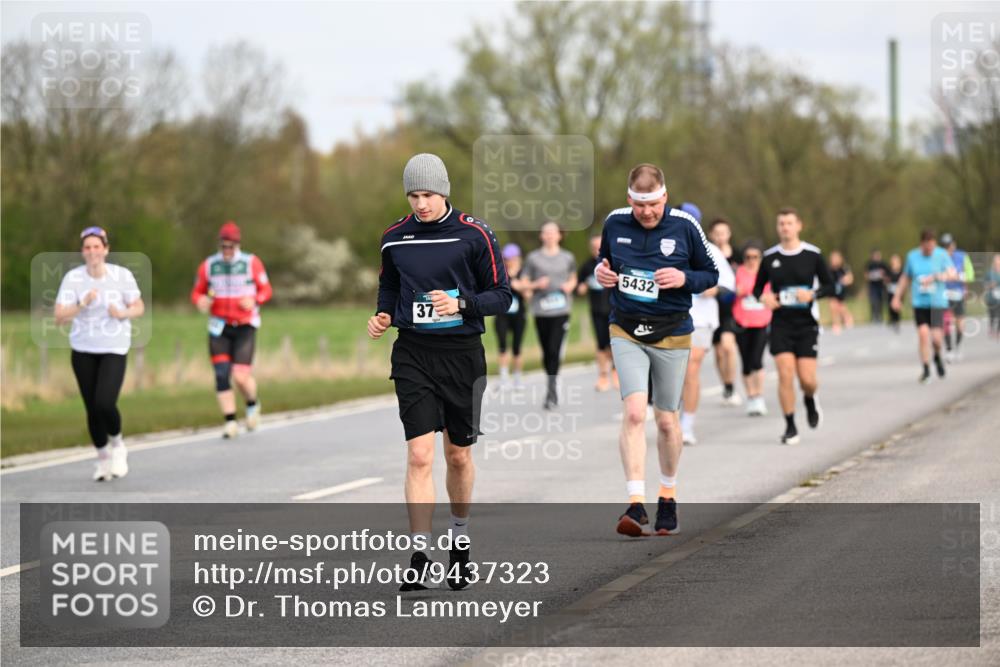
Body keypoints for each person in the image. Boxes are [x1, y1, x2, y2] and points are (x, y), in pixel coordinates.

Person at [368, 153, 511, 591]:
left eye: (427, 194)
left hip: (463, 355)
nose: (421, 204)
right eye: (413, 195)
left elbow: (502, 296)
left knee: (458, 456)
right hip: (413, 353)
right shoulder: (395, 237)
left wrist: (462, 304)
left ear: (444, 191)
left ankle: (460, 545)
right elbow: (389, 284)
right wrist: (383, 315)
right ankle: (420, 555)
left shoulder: (475, 234)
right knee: (418, 455)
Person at [594, 164, 718, 537]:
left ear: (664, 196)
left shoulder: (685, 226)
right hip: (626, 328)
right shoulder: (615, 223)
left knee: (665, 420)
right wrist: (603, 275)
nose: (646, 213)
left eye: (653, 205)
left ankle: (667, 496)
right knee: (634, 412)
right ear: (629, 199)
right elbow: (606, 264)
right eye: (639, 206)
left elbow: (711, 275)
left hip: (672, 332)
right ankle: (635, 504)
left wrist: (684, 278)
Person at [54, 226, 145, 481]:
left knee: (105, 402)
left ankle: (118, 445)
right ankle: (103, 459)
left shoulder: (122, 276)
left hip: (113, 347)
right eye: (87, 247)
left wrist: (122, 313)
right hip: (83, 349)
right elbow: (59, 317)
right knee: (92, 408)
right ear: (82, 252)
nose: (92, 252)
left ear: (106, 249)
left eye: (97, 246)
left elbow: (138, 307)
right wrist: (81, 303)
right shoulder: (73, 279)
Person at [753, 208, 835, 445]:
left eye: (789, 223)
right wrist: (764, 298)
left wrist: (813, 294)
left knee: (807, 379)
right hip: (780, 325)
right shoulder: (769, 257)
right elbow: (758, 289)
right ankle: (790, 425)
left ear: (799, 225)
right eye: (781, 224)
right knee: (785, 375)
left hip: (806, 325)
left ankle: (810, 399)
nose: (785, 227)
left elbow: (831, 286)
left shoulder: (813, 255)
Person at [191, 222, 272, 439]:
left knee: (240, 376)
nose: (227, 250)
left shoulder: (250, 262)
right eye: (223, 246)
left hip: (245, 325)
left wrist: (254, 299)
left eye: (231, 246)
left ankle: (252, 404)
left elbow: (266, 290)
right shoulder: (208, 265)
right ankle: (230, 422)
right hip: (219, 326)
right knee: (220, 374)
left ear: (237, 245)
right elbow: (197, 292)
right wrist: (200, 302)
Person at [679, 203, 735, 445]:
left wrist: (714, 289)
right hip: (669, 317)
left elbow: (729, 285)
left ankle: (686, 425)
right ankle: (671, 421)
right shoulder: (665, 246)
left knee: (691, 367)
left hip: (701, 320)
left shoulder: (710, 250)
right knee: (671, 374)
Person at [891, 229, 957, 384]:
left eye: (932, 247)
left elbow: (952, 274)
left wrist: (936, 277)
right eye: (926, 247)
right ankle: (926, 369)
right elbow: (905, 278)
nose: (929, 250)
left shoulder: (941, 255)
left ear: (934, 244)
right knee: (922, 334)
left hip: (937, 303)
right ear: (922, 244)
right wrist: (896, 297)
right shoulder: (912, 256)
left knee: (937, 339)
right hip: (919, 303)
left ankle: (937, 356)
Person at [524, 221, 577, 409]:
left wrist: (570, 286)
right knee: (547, 352)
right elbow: (524, 283)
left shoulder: (567, 257)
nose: (549, 236)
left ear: (559, 235)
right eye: (545, 233)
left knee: (554, 350)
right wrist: (536, 285)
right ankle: (551, 380)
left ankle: (552, 390)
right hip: (541, 310)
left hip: (561, 310)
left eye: (553, 233)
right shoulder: (533, 258)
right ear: (541, 235)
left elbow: (573, 277)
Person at [732, 239, 772, 416]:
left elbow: (770, 293)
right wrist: (738, 291)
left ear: (761, 258)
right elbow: (735, 291)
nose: (752, 260)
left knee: (757, 360)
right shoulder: (738, 272)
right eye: (748, 257)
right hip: (742, 322)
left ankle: (759, 396)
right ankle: (750, 397)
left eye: (755, 257)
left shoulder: (766, 274)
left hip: (762, 322)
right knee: (746, 362)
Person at [707, 218, 742, 406]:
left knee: (728, 347)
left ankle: (731, 385)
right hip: (712, 308)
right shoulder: (707, 253)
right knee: (719, 352)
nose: (720, 237)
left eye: (724, 233)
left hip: (732, 308)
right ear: (712, 235)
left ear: (729, 234)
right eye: (717, 233)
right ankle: (726, 386)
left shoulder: (737, 255)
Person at [577, 234, 616, 391]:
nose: (596, 250)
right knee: (601, 344)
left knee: (615, 343)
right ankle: (602, 376)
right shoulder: (587, 267)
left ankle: (615, 373)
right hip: (596, 310)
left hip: (614, 310)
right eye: (593, 247)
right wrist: (582, 287)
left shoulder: (612, 263)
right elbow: (579, 287)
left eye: (599, 247)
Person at [495, 243, 530, 390]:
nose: (510, 261)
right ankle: (503, 378)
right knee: (502, 346)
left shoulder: (524, 273)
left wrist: (520, 287)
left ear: (518, 258)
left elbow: (528, 295)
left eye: (512, 258)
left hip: (519, 315)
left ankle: (517, 379)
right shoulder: (500, 274)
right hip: (502, 315)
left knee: (517, 347)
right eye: (507, 258)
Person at [940, 233, 975, 362]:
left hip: (958, 293)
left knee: (960, 323)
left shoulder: (962, 256)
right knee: (946, 322)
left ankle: (958, 347)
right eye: (945, 246)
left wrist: (959, 277)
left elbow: (971, 275)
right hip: (944, 294)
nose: (947, 249)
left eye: (949, 245)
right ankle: (948, 349)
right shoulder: (939, 257)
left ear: (953, 244)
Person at [828, 250, 854, 334]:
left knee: (841, 306)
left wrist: (845, 280)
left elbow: (850, 278)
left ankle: (847, 317)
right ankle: (836, 324)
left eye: (836, 258)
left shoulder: (844, 268)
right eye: (832, 258)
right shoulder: (829, 270)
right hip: (832, 291)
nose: (834, 260)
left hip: (841, 290)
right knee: (832, 306)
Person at [864, 250, 888, 324]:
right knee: (873, 301)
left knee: (880, 301)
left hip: (880, 286)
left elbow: (887, 275)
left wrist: (883, 276)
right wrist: (871, 276)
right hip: (872, 286)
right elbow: (866, 275)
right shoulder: (869, 264)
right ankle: (874, 316)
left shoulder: (883, 264)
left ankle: (880, 316)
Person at [885, 253, 904, 333]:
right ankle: (892, 319)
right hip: (890, 291)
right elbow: (886, 279)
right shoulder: (889, 270)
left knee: (897, 307)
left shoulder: (902, 271)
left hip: (899, 292)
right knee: (890, 306)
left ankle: (897, 321)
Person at [986, 253, 1000, 341]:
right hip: (991, 297)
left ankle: (998, 331)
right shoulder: (989, 273)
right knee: (992, 314)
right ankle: (991, 328)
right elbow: (984, 284)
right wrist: (990, 285)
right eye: (996, 262)